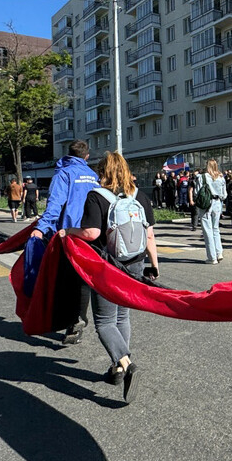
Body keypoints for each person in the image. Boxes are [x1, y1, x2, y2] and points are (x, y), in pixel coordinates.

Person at [61, 152, 159, 405]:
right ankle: (117, 368)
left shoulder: (96, 196)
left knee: (104, 321)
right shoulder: (140, 195)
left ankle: (125, 364)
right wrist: (154, 266)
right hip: (134, 265)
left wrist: (68, 231)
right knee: (123, 316)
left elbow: (92, 233)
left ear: (102, 173)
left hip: (107, 265)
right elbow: (149, 236)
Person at [33, 140, 101, 345]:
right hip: (90, 232)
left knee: (65, 278)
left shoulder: (64, 173)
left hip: (68, 233)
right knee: (83, 279)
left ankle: (71, 320)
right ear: (87, 156)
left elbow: (55, 204)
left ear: (68, 154)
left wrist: (41, 227)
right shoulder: (93, 175)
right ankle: (77, 319)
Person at [195, 159, 227, 264]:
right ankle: (219, 252)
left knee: (207, 230)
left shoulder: (202, 177)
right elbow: (224, 194)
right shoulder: (221, 177)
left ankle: (212, 257)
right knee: (215, 229)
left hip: (206, 204)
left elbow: (197, 192)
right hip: (217, 203)